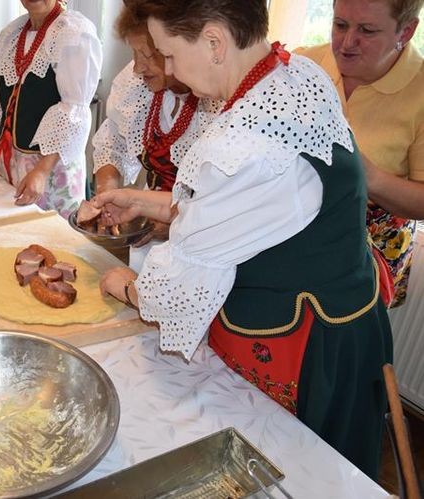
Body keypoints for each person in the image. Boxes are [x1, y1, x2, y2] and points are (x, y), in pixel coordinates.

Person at [95, 0, 393, 480]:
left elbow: (175, 295)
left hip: (300, 346)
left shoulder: (241, 141)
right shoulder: (299, 74)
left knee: (291, 475)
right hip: (352, 324)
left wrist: (124, 285)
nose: (167, 68)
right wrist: (143, 200)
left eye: (169, 53)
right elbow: (259, 211)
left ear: (214, 42)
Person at [295, 0, 424, 308]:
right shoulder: (301, 65)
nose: (347, 43)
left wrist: (370, 177)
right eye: (340, 25)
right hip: (290, 240)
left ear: (405, 31)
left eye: (367, 30)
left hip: (365, 261)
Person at [92, 1, 220, 268]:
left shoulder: (218, 103)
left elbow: (219, 200)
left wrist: (171, 219)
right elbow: (113, 142)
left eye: (149, 55)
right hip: (147, 230)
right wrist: (108, 194)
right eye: (134, 53)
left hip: (206, 244)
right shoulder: (136, 84)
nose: (138, 68)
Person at [0, 0, 102, 219]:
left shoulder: (73, 33)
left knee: (51, 243)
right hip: (9, 162)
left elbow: (74, 111)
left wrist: (41, 172)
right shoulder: (11, 34)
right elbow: (0, 102)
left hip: (50, 169)